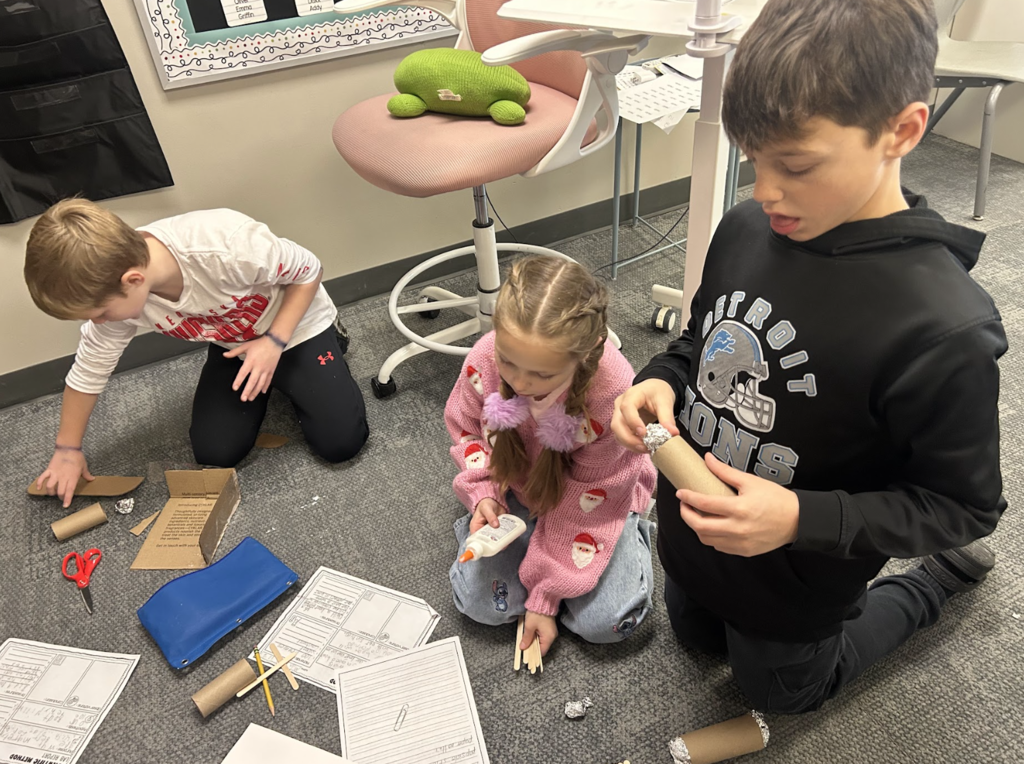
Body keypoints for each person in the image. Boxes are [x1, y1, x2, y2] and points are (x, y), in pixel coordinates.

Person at [612, 0, 1007, 713]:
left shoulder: (943, 329)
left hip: (798, 581)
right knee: (697, 639)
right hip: (694, 539)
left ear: (903, 131)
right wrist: (660, 381)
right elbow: (700, 341)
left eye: (795, 165)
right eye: (754, 159)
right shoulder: (743, 228)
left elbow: (962, 505)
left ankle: (929, 587)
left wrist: (800, 519)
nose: (764, 191)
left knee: (787, 693)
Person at [25, 199, 368, 506]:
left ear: (132, 280)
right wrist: (67, 450)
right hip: (234, 342)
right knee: (215, 452)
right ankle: (277, 377)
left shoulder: (226, 247)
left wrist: (274, 342)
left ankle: (329, 342)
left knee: (340, 444)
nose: (97, 322)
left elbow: (309, 270)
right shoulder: (115, 286)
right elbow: (88, 370)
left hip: (296, 328)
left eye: (100, 313)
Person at [446, 256, 656, 655]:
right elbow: (468, 431)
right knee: (484, 606)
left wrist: (545, 596)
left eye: (543, 375)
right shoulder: (484, 357)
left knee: (606, 622)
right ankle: (534, 546)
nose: (520, 382)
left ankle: (627, 530)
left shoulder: (613, 392)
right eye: (508, 361)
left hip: (596, 498)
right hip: (521, 483)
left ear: (589, 350)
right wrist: (484, 494)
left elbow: (590, 500)